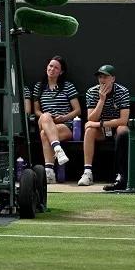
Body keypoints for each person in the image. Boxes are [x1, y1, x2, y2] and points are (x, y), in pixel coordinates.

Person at [76, 64, 129, 188]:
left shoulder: (122, 91)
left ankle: (121, 174)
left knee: (123, 130)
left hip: (115, 129)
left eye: (105, 77)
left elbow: (123, 120)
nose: (102, 80)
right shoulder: (92, 92)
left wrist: (100, 123)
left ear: (113, 79)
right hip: (100, 131)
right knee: (89, 129)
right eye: (100, 77)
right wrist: (101, 100)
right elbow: (91, 118)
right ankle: (87, 172)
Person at [32, 56, 81, 184]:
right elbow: (36, 111)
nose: (52, 69)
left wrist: (63, 117)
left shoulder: (68, 86)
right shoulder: (39, 87)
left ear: (61, 72)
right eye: (50, 66)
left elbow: (77, 110)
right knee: (45, 116)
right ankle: (58, 150)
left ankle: (49, 172)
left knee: (44, 134)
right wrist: (46, 117)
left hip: (64, 125)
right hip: (45, 121)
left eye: (56, 67)